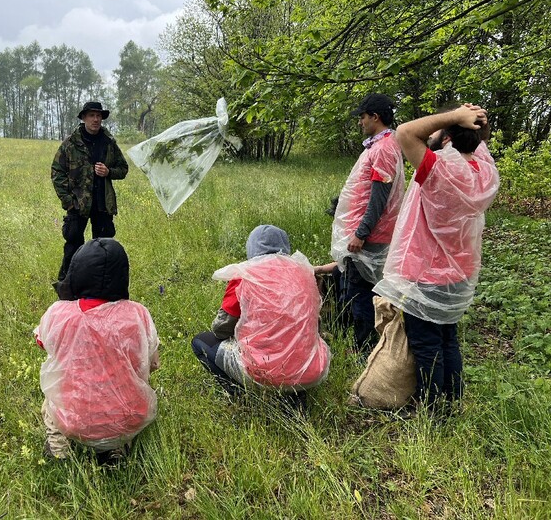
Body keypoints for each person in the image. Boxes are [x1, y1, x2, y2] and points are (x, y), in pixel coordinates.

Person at [374, 104, 499, 412]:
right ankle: (452, 402)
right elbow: (473, 143)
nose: (431, 132)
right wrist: (469, 123)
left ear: (446, 139)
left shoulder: (439, 171)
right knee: (447, 340)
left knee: (428, 346)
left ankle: (433, 411)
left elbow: (405, 132)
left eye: (439, 130)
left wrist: (454, 116)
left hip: (427, 275)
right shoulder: (483, 172)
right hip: (460, 274)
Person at [35, 238, 159, 465]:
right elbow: (152, 362)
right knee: (130, 394)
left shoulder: (59, 313)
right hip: (128, 417)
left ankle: (58, 447)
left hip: (75, 420)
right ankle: (116, 447)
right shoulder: (138, 314)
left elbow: (44, 343)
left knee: (51, 398)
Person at [191, 225, 331, 403]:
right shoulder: (305, 274)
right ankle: (296, 395)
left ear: (251, 248)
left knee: (200, 342)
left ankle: (240, 395)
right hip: (311, 371)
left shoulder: (244, 275)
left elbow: (220, 329)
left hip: (262, 373)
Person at [330, 93, 405, 352]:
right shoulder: (380, 145)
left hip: (369, 236)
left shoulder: (384, 149)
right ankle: (361, 339)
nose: (360, 121)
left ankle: (362, 347)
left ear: (375, 117)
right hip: (368, 231)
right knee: (357, 286)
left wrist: (361, 232)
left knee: (360, 293)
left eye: (362, 117)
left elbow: (379, 197)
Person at [51, 102, 129, 282]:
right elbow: (57, 172)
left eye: (99, 116)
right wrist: (68, 201)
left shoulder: (109, 142)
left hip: (102, 204)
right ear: (84, 118)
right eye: (92, 115)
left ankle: (102, 285)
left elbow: (123, 168)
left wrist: (109, 172)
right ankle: (66, 286)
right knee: (73, 246)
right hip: (78, 204)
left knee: (103, 248)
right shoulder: (71, 143)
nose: (96, 119)